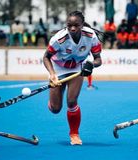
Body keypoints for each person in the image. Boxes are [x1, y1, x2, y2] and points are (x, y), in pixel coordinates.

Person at [43, 11, 102, 145]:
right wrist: (52, 75)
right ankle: (52, 103)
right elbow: (46, 57)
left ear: (82, 25)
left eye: (76, 25)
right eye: (69, 25)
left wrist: (91, 64)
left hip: (77, 68)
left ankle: (74, 134)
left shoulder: (91, 36)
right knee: (56, 109)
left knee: (71, 101)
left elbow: (98, 59)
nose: (73, 28)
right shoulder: (58, 39)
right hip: (58, 68)